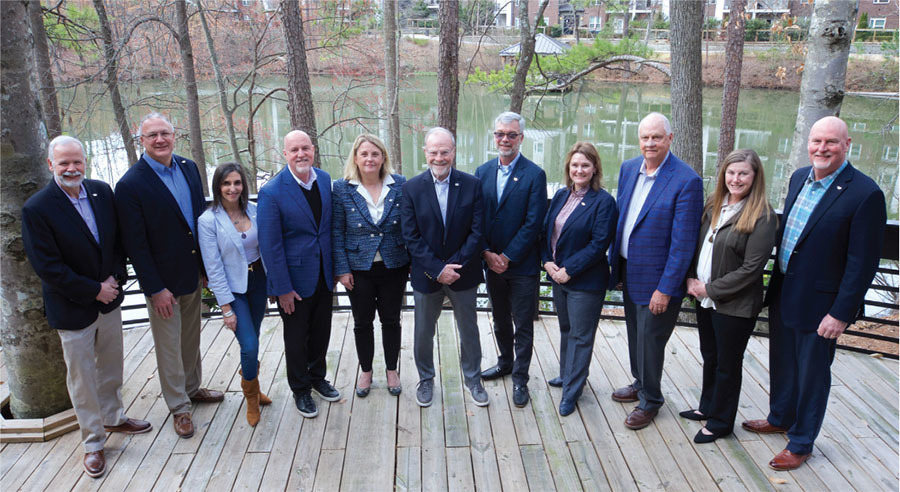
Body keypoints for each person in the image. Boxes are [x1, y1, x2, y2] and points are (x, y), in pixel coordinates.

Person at [742, 116, 886, 471]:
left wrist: (840, 313)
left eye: (831, 142)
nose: (822, 148)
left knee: (813, 376)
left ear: (847, 145)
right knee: (783, 362)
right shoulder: (798, 178)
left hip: (822, 305)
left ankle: (801, 442)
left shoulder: (865, 194)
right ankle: (780, 417)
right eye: (816, 141)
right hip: (785, 291)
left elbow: (862, 263)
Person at [22, 135, 151, 478]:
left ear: (85, 161)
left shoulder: (101, 191)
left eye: (76, 161)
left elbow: (117, 241)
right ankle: (93, 443)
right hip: (72, 307)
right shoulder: (37, 208)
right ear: (50, 164)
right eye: (63, 162)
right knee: (81, 379)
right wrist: (95, 290)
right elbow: (47, 267)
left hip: (109, 300)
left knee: (111, 366)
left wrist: (115, 280)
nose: (71, 168)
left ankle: (114, 418)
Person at [116, 113, 223, 439]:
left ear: (174, 136)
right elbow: (135, 244)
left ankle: (192, 388)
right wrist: (155, 287)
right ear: (142, 141)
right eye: (152, 135)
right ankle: (179, 408)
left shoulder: (189, 168)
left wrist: (205, 268)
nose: (160, 139)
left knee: (191, 337)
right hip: (162, 282)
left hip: (191, 272)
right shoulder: (130, 184)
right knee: (168, 346)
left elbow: (199, 220)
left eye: (165, 133)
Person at [607, 112, 703, 430]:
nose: (650, 143)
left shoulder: (686, 181)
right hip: (629, 271)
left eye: (657, 137)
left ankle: (650, 401)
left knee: (651, 340)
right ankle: (639, 382)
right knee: (636, 335)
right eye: (645, 137)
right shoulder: (629, 168)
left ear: (670, 139)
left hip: (659, 280)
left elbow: (683, 244)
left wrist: (665, 289)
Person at [680, 149, 777, 443]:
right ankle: (707, 407)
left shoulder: (763, 216)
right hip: (704, 298)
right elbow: (698, 245)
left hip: (735, 306)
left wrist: (709, 289)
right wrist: (691, 278)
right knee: (710, 355)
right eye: (731, 173)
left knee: (728, 364)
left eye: (743, 173)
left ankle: (721, 422)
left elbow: (751, 269)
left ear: (755, 177)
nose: (736, 179)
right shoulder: (714, 205)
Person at [400, 127, 488, 408]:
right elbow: (411, 235)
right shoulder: (411, 188)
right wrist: (438, 269)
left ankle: (473, 379)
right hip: (427, 275)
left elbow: (477, 231)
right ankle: (426, 379)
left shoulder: (472, 185)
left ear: (454, 152)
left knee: (469, 329)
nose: (439, 157)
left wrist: (454, 266)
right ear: (425, 152)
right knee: (423, 332)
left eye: (445, 152)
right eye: (434, 152)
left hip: (464, 272)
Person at [258, 130, 340, 419]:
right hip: (292, 282)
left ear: (313, 149)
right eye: (294, 150)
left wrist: (335, 269)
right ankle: (300, 389)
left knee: (321, 331)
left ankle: (318, 378)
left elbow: (327, 229)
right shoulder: (271, 192)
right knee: (296, 338)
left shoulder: (324, 180)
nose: (301, 154)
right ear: (285, 154)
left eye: (305, 148)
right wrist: (281, 288)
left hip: (323, 274)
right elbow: (270, 246)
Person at [475, 111, 547, 408]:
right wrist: (486, 253)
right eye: (500, 134)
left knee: (523, 324)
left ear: (521, 138)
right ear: (494, 136)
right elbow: (476, 217)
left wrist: (506, 256)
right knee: (500, 319)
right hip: (491, 262)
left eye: (511, 135)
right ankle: (505, 362)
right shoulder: (482, 172)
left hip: (522, 266)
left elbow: (533, 223)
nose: (505, 139)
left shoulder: (535, 175)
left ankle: (520, 378)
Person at [540, 142, 616, 417]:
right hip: (558, 276)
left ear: (595, 168)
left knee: (581, 336)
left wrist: (568, 269)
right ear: (568, 168)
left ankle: (572, 391)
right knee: (566, 329)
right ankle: (567, 374)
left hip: (585, 282)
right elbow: (546, 232)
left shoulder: (604, 202)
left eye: (585, 165)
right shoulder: (562, 195)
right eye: (575, 165)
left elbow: (599, 244)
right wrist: (547, 261)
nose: (579, 170)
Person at [332, 134, 409, 398]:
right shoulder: (342, 188)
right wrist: (342, 269)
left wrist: (412, 261)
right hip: (358, 268)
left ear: (383, 157)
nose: (370, 159)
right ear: (355, 158)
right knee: (362, 322)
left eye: (375, 154)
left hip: (394, 265)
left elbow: (409, 225)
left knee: (391, 320)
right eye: (364, 154)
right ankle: (365, 371)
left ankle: (391, 370)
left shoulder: (399, 184)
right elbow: (336, 231)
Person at [198, 163, 272, 426]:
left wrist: (273, 284)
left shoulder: (255, 210)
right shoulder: (208, 220)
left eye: (237, 183)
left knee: (254, 338)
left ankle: (253, 381)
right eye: (226, 183)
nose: (232, 188)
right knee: (249, 345)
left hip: (258, 282)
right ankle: (251, 397)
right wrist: (226, 308)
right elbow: (213, 267)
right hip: (233, 289)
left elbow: (267, 248)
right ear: (218, 186)